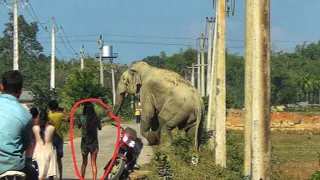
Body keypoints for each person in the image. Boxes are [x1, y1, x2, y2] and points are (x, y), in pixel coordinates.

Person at [0, 70, 38, 180]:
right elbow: (26, 144)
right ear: (21, 91)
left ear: (1, 87)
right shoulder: (26, 115)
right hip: (13, 167)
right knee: (33, 173)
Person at [76, 102, 102, 180]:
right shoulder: (96, 118)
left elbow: (78, 126)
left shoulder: (81, 118)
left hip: (84, 143)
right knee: (93, 163)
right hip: (94, 143)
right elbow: (100, 128)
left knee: (84, 163)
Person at [32, 111, 58, 180]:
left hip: (38, 150)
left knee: (40, 172)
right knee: (51, 172)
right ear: (47, 118)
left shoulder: (34, 128)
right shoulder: (52, 128)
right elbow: (55, 138)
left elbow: (31, 137)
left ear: (39, 118)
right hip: (49, 149)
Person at [47, 100, 68, 180]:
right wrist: (65, 112)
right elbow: (68, 119)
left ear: (49, 107)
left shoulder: (48, 116)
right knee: (59, 159)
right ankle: (61, 177)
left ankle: (50, 177)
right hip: (59, 138)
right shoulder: (60, 115)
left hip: (50, 138)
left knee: (50, 159)